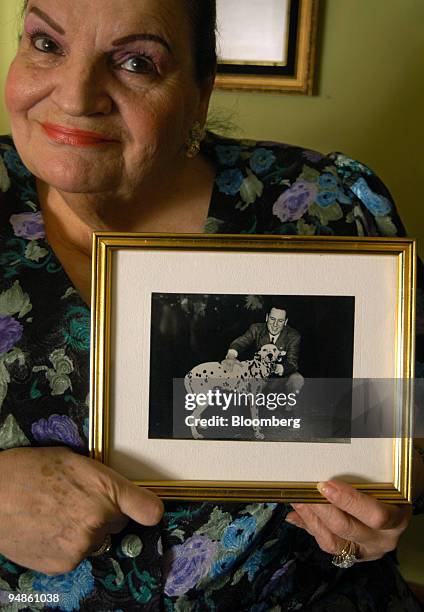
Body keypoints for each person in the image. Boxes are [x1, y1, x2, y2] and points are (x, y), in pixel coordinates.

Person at [0, 0, 423, 609]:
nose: (74, 96)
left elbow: (402, 424)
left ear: (201, 93)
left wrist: (381, 504)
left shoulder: (323, 206)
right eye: (47, 44)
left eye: (137, 61)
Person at [224, 306, 304, 394]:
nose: (275, 324)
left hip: (280, 377)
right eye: (272, 319)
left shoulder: (293, 336)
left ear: (285, 322)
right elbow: (240, 342)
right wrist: (231, 356)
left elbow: (292, 362)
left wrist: (276, 368)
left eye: (280, 321)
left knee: (297, 379)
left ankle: (289, 406)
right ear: (267, 317)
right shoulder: (256, 329)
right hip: (257, 375)